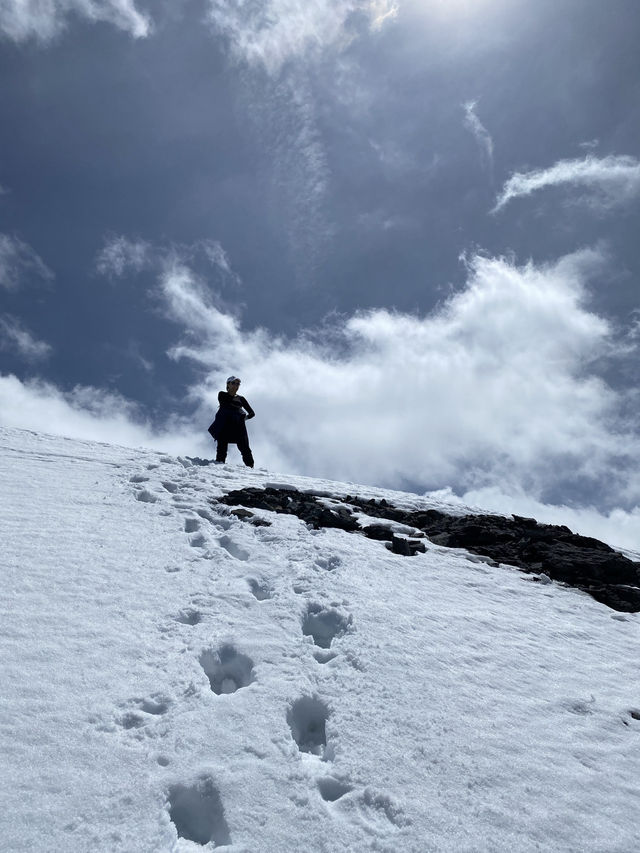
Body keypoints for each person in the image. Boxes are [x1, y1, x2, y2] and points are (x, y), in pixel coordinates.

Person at [208, 376, 255, 467]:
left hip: (238, 426)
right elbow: (228, 404)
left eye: (238, 384)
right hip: (224, 424)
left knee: (245, 449)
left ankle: (251, 469)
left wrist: (243, 418)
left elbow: (252, 413)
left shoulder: (241, 399)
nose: (236, 386)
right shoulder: (222, 394)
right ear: (228, 384)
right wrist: (241, 413)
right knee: (222, 448)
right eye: (233, 383)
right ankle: (219, 468)